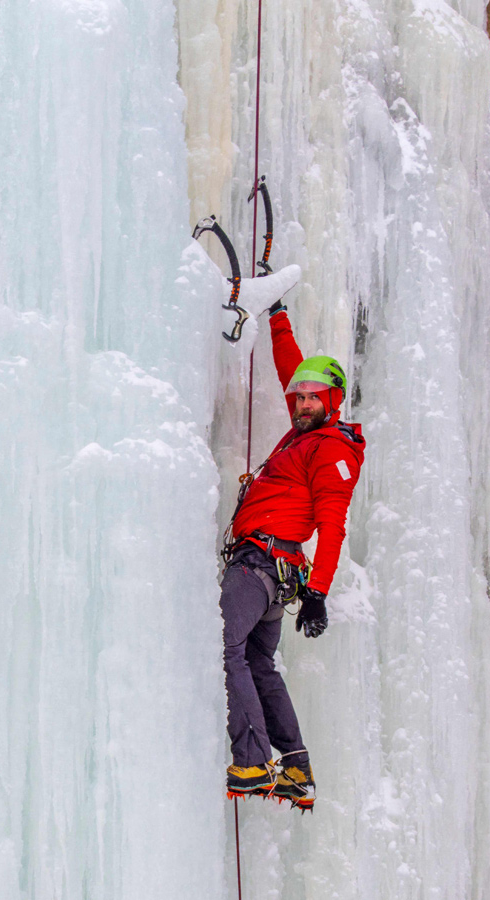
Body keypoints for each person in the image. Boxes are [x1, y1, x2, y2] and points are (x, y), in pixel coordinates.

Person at [220, 299, 365, 809]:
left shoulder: (331, 450)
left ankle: (254, 759)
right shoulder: (305, 435)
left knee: (223, 648)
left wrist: (320, 593)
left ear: (335, 400)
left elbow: (332, 525)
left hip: (261, 564)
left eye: (312, 397)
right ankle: (295, 766)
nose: (301, 404)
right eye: (297, 397)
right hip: (269, 571)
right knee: (258, 663)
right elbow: (290, 364)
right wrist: (278, 315)